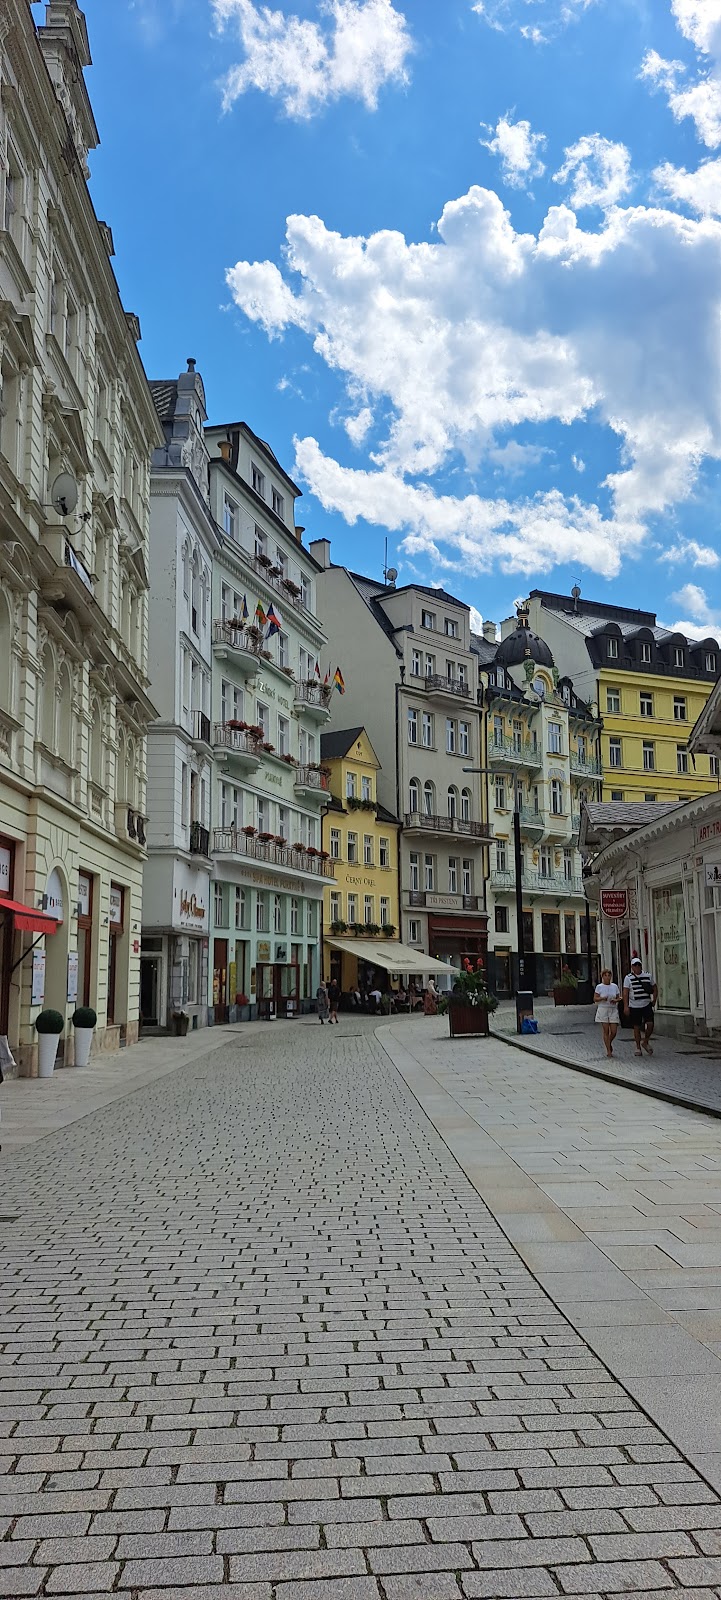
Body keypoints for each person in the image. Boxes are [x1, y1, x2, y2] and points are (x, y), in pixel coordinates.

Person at [623, 956, 658, 1056]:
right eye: (635, 965)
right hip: (634, 1005)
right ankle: (638, 1047)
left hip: (646, 1003)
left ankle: (645, 1041)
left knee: (650, 1024)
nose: (637, 967)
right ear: (632, 967)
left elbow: (654, 987)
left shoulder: (648, 975)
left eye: (639, 965)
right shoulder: (628, 978)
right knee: (636, 1026)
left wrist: (654, 999)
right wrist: (626, 1006)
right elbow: (625, 992)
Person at [594, 968, 620, 1058]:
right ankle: (608, 1050)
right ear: (602, 977)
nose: (607, 977)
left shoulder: (614, 986)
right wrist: (602, 998)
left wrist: (615, 1000)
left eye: (609, 975)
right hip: (603, 1008)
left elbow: (618, 997)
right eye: (605, 975)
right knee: (606, 1030)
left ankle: (609, 1042)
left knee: (614, 1031)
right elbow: (595, 998)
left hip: (613, 1009)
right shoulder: (599, 987)